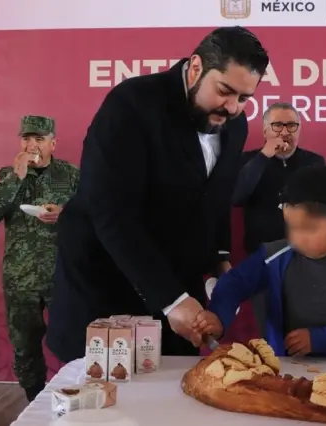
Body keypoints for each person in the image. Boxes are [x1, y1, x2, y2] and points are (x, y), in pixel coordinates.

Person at [46, 26, 269, 362]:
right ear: (196, 68)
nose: (234, 107)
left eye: (244, 98)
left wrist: (220, 261)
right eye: (225, 91)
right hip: (108, 277)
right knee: (107, 401)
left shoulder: (234, 124)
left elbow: (216, 198)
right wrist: (172, 300)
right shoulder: (131, 105)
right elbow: (111, 213)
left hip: (178, 279)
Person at [193, 165, 326, 357]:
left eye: (308, 228)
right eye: (291, 227)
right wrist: (218, 316)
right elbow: (235, 283)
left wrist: (321, 339)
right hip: (286, 375)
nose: (296, 238)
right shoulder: (274, 256)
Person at [0, 116, 79, 401]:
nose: (32, 145)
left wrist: (64, 214)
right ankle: (33, 402)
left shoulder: (71, 175)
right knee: (24, 347)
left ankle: (78, 399)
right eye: (26, 139)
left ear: (53, 143)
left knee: (74, 342)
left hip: (63, 276)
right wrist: (15, 178)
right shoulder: (6, 174)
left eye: (39, 139)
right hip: (20, 279)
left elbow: (95, 216)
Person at [232, 102, 325, 255]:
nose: (284, 132)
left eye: (291, 125)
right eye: (277, 125)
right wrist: (264, 156)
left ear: (299, 130)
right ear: (265, 131)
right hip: (260, 250)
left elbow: (322, 207)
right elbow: (237, 198)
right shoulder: (248, 160)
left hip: (304, 251)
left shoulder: (314, 162)